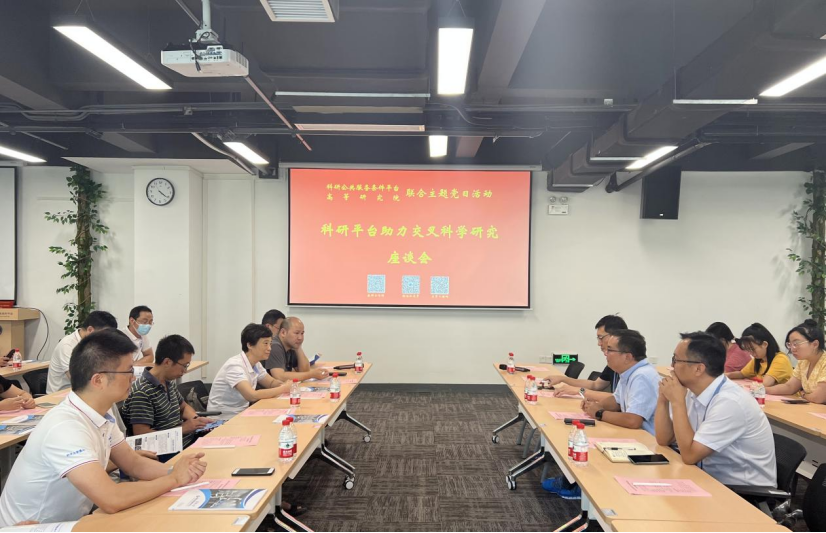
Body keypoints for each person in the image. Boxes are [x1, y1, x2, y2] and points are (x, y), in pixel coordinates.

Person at [0, 329, 207, 526]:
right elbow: (111, 498)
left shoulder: (102, 415)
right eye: (128, 371)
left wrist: (180, 472)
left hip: (71, 522)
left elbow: (133, 463)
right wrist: (173, 478)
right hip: (31, 527)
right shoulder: (65, 427)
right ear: (98, 380)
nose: (134, 377)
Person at [545, 329, 660, 501]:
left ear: (628, 356)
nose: (605, 353)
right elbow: (617, 401)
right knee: (584, 437)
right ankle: (575, 483)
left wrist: (599, 413)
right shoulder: (629, 372)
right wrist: (597, 406)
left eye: (610, 350)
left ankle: (586, 489)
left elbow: (633, 420)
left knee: (589, 443)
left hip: (648, 443)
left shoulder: (642, 376)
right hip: (636, 436)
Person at [656, 332, 777, 487]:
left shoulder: (730, 402)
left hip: (741, 491)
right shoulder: (692, 391)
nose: (672, 366)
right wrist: (663, 399)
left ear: (698, 369)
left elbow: (690, 456)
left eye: (676, 360)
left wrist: (677, 402)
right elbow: (664, 439)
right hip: (707, 478)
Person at [121, 335, 215, 453]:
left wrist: (196, 420)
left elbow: (183, 407)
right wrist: (182, 429)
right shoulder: (142, 392)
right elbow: (142, 435)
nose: (185, 371)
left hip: (185, 442)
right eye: (184, 365)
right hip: (168, 451)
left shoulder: (168, 382)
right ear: (167, 362)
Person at [207, 324, 293, 417]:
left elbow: (271, 383)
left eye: (270, 343)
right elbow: (252, 395)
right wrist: (283, 389)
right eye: (265, 343)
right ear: (250, 345)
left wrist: (287, 385)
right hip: (223, 418)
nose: (269, 348)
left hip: (241, 413)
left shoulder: (256, 363)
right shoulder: (235, 366)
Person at [547, 315, 628, 398]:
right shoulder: (613, 363)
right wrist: (563, 379)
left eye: (601, 338)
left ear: (616, 337)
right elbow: (595, 385)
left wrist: (580, 391)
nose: (599, 344)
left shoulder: (632, 368)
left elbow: (619, 398)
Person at [47, 311, 118, 394]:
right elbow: (77, 379)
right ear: (90, 330)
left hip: (84, 391)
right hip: (62, 394)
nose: (105, 339)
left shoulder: (95, 343)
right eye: (104, 335)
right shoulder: (67, 345)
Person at [766, 319, 826, 404]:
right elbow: (790, 387)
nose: (792, 349)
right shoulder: (803, 362)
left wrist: (803, 395)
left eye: (796, 344)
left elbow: (818, 398)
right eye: (789, 344)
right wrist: (764, 390)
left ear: (815, 344)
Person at [726, 323, 792, 386]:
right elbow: (742, 374)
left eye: (752, 349)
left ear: (764, 344)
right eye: (748, 350)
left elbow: (766, 384)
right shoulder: (759, 360)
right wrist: (727, 375)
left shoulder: (780, 359)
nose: (751, 353)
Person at [265, 317, 327, 382]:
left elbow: (304, 371)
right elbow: (279, 376)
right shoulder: (275, 346)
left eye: (302, 333)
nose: (300, 337)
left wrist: (298, 347)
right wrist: (312, 374)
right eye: (296, 333)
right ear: (283, 332)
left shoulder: (291, 346)